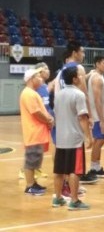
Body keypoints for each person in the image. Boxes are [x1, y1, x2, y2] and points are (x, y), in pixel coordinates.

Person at [53, 41, 97, 184]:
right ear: (75, 53)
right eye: (82, 51)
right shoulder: (78, 68)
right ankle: (73, 192)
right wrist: (89, 115)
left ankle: (64, 188)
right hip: (75, 113)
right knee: (75, 158)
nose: (84, 55)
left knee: (61, 156)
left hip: (61, 114)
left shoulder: (61, 71)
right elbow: (84, 94)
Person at [53, 66, 92, 210]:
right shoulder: (79, 94)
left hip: (60, 138)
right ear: (74, 79)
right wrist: (88, 137)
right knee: (75, 171)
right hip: (75, 139)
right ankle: (74, 201)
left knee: (59, 170)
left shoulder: (58, 95)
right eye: (80, 75)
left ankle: (57, 198)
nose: (82, 77)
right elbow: (82, 118)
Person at [19, 68, 54, 196]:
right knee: (31, 160)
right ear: (31, 79)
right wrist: (48, 119)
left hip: (37, 133)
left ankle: (33, 183)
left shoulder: (32, 93)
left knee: (35, 160)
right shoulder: (28, 94)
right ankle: (29, 186)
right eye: (38, 77)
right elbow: (36, 112)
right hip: (34, 132)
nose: (41, 79)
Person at [86, 55, 104, 178]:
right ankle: (93, 168)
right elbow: (97, 100)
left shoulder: (96, 76)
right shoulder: (97, 78)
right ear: (97, 64)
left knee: (100, 140)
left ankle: (96, 167)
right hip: (97, 116)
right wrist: (101, 119)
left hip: (98, 115)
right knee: (99, 140)